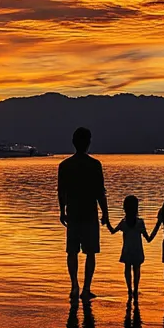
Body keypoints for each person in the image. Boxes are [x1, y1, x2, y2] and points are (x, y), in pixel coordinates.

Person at [57, 127, 110, 300]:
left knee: (72, 251)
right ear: (88, 143)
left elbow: (61, 191)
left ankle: (74, 286)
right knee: (90, 252)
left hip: (73, 212)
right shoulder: (94, 165)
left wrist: (62, 210)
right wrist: (106, 213)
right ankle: (86, 288)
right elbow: (99, 192)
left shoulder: (65, 165)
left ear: (74, 143)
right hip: (89, 213)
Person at [108, 194, 150, 298]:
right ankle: (136, 289)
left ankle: (129, 289)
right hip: (137, 251)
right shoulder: (140, 223)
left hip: (127, 250)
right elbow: (147, 238)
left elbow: (112, 231)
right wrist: (157, 227)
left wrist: (107, 221)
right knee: (137, 269)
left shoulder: (124, 223)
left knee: (127, 269)